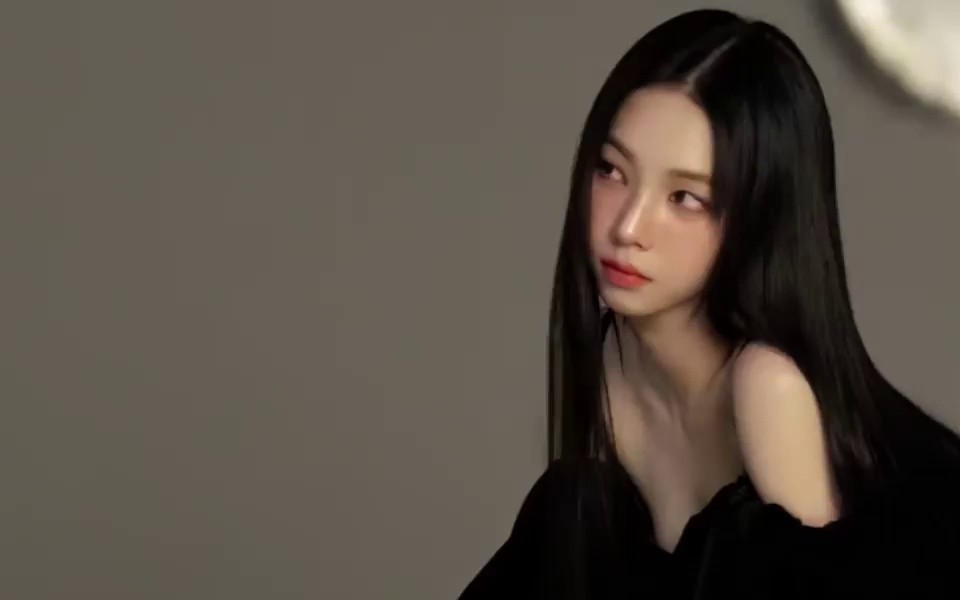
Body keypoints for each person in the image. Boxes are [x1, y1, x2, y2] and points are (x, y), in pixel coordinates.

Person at [459, 8, 960, 600]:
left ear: (757, 216)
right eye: (612, 170)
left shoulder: (768, 385)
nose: (628, 228)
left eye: (685, 198)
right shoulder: (614, 366)